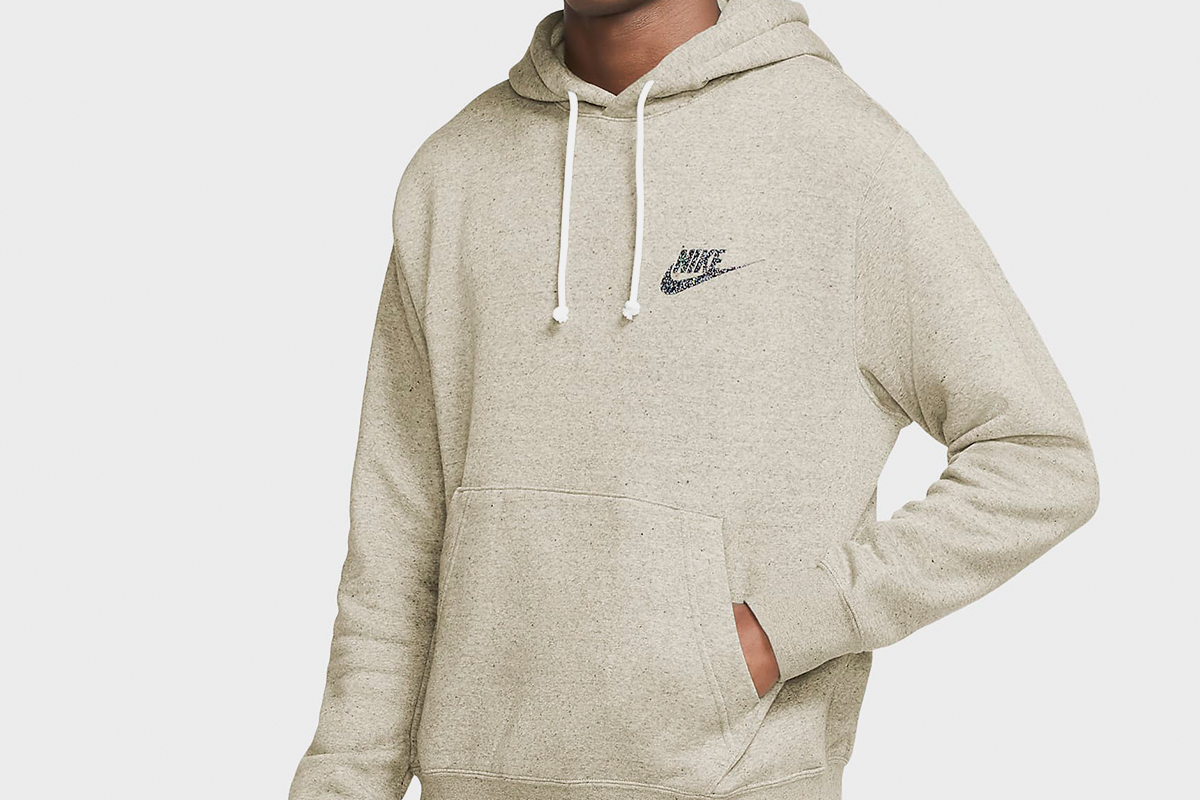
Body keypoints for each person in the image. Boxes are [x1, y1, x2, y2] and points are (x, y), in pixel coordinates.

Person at [288, 1, 1100, 798]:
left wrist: (780, 630)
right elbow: (396, 544)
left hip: (733, 781)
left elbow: (1037, 459)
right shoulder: (453, 173)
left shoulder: (839, 153)